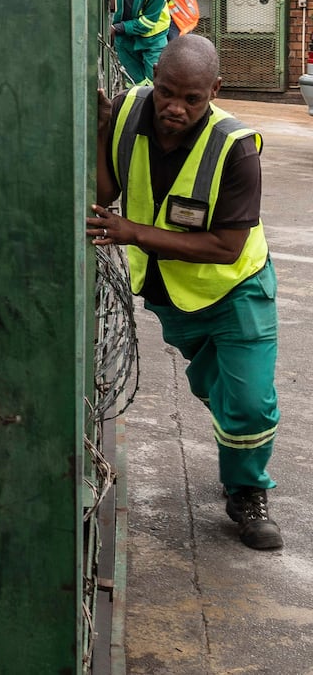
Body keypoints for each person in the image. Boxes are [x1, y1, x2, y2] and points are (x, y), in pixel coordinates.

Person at [89, 35, 282, 550]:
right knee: (221, 392)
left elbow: (225, 246)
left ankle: (247, 493)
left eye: (191, 98)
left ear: (214, 91)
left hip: (236, 287)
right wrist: (103, 132)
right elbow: (105, 192)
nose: (175, 107)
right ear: (154, 78)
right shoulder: (130, 111)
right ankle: (240, 446)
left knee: (249, 402)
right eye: (166, 92)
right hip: (171, 293)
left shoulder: (236, 147)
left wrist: (134, 233)